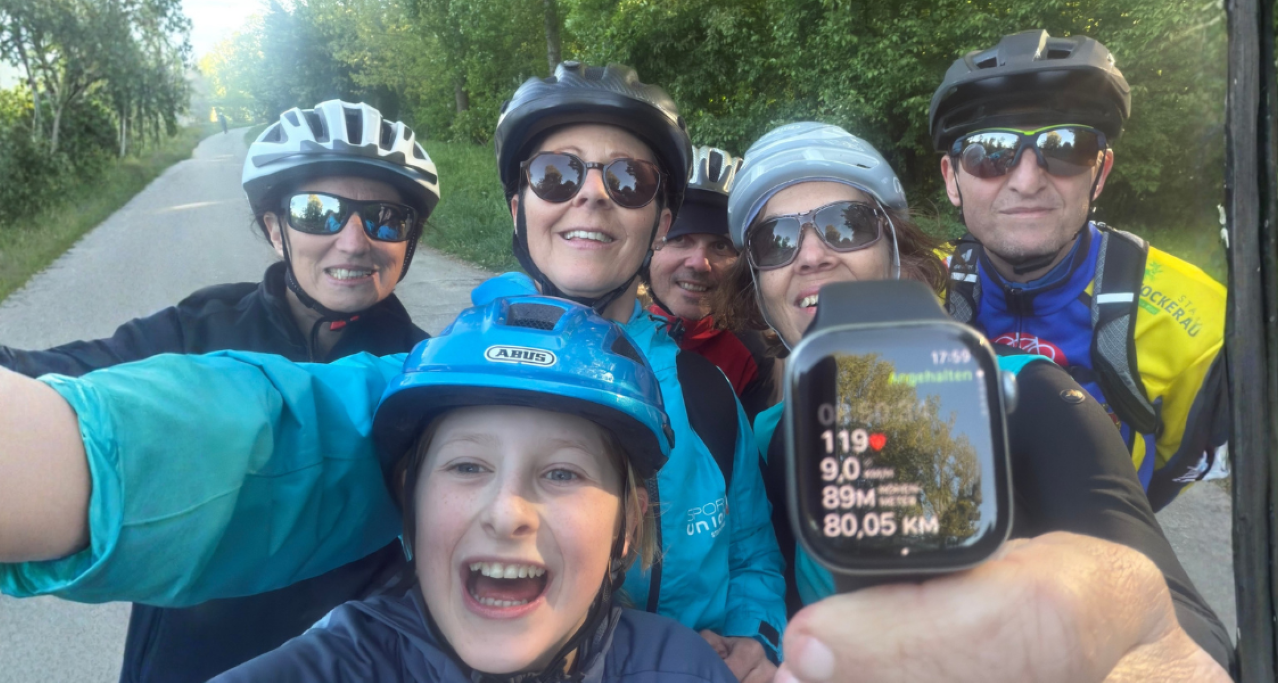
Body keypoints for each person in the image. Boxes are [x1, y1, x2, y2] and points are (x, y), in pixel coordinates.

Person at [0, 62, 785, 683]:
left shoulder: (708, 390)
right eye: (556, 174)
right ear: (518, 206)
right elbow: (288, 436)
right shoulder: (449, 370)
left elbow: (752, 545)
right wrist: (68, 455)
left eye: (629, 180)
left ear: (658, 217)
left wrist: (756, 633)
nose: (592, 196)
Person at [711, 121, 1233, 679]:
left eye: (848, 225)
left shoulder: (1027, 392)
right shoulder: (770, 436)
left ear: (896, 249)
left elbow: (1178, 629)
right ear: (759, 287)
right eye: (775, 241)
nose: (811, 254)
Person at [0, 99, 437, 683]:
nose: (354, 241)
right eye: (318, 212)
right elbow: (64, 375)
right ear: (275, 229)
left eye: (385, 218)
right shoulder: (198, 329)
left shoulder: (429, 375)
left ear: (409, 241)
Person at [211, 294, 737, 683]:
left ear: (628, 527)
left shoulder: (683, 668)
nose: (507, 513)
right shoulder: (340, 665)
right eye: (467, 466)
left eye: (562, 473)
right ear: (410, 502)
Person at [929, 30, 1230, 510]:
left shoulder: (1202, 323)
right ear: (952, 179)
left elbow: (1172, 475)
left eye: (1065, 147)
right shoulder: (918, 286)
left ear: (1100, 173)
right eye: (990, 152)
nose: (1027, 181)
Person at [644, 145, 775, 421]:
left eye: (720, 246)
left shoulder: (753, 357)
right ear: (650, 249)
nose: (699, 263)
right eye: (680, 239)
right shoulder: (610, 333)